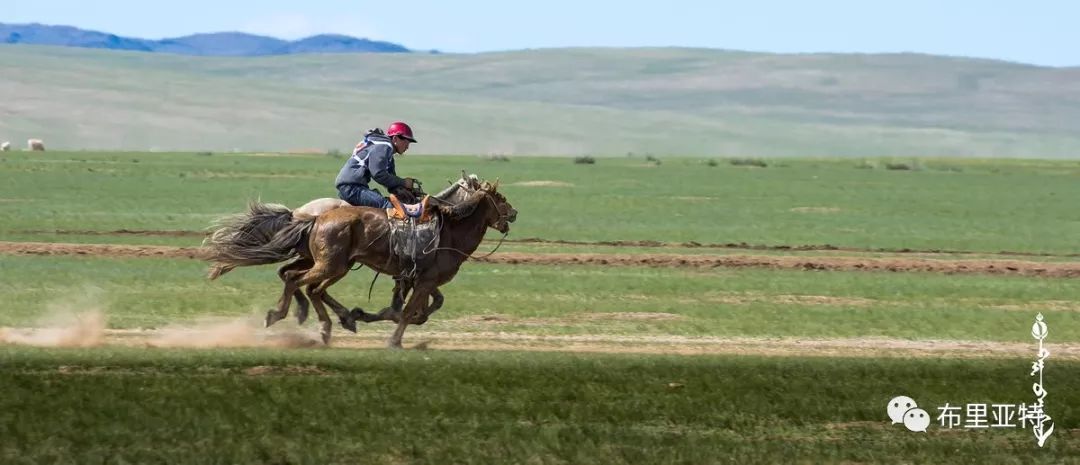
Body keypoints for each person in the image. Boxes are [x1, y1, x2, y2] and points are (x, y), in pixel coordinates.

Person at [335, 121, 422, 208]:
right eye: (406, 143)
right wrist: (404, 182)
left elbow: (390, 180)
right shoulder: (383, 147)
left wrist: (405, 190)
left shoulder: (385, 150)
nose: (407, 147)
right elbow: (378, 174)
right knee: (389, 207)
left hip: (352, 187)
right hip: (352, 188)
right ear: (395, 139)